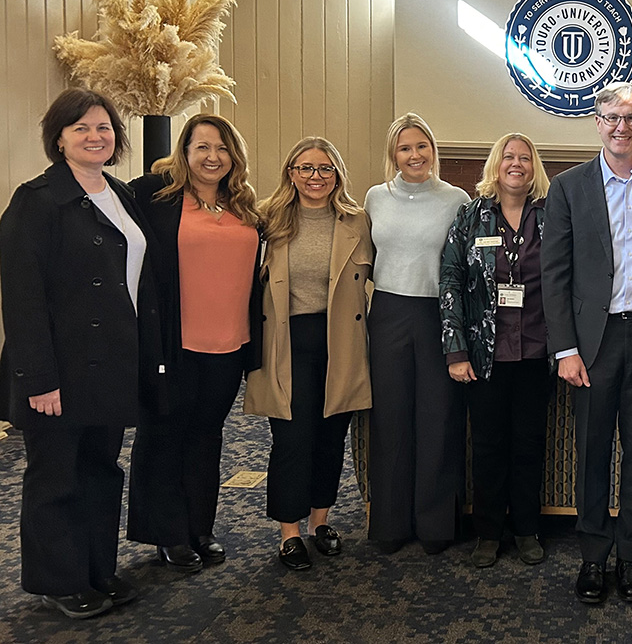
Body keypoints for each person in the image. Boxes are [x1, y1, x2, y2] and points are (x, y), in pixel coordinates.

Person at [0, 88, 166, 618]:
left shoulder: (121, 193)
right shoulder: (38, 199)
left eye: (103, 128)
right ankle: (58, 579)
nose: (95, 137)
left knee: (101, 469)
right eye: (81, 129)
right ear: (59, 137)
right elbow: (22, 296)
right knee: (56, 476)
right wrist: (37, 378)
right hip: (59, 369)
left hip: (113, 362)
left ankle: (97, 568)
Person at [542, 81, 632, 605]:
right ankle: (592, 556)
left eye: (631, 118)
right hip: (591, 344)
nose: (621, 127)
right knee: (591, 450)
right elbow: (554, 274)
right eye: (611, 117)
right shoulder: (568, 187)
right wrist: (564, 349)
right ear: (597, 122)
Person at [126, 114, 263, 572]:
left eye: (222, 148)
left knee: (207, 438)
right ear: (184, 152)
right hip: (174, 344)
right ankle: (168, 533)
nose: (212, 157)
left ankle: (201, 527)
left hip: (230, 345)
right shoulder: (155, 198)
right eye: (202, 147)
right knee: (165, 436)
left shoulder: (244, 206)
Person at [243, 137, 373, 570]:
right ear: (291, 173)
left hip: (341, 341)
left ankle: (321, 522)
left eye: (324, 169)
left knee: (330, 435)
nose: (315, 177)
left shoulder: (357, 221)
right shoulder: (268, 219)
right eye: (305, 168)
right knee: (292, 439)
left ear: (337, 175)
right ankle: (289, 532)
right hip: (286, 341)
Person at [439, 133, 553, 568]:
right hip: (482, 355)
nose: (517, 163)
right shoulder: (469, 217)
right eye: (509, 156)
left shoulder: (550, 218)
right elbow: (449, 282)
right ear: (496, 164)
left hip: (536, 352)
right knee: (486, 445)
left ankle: (526, 529)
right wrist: (455, 351)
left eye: (526, 157)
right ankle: (488, 532)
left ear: (534, 167)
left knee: (528, 444)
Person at [365, 113, 470, 555]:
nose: (415, 155)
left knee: (438, 419)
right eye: (405, 148)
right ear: (394, 154)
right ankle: (389, 524)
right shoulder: (374, 198)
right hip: (388, 310)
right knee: (389, 420)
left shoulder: (456, 200)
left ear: (433, 151)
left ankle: (435, 525)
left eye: (422, 146)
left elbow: (465, 267)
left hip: (437, 316)